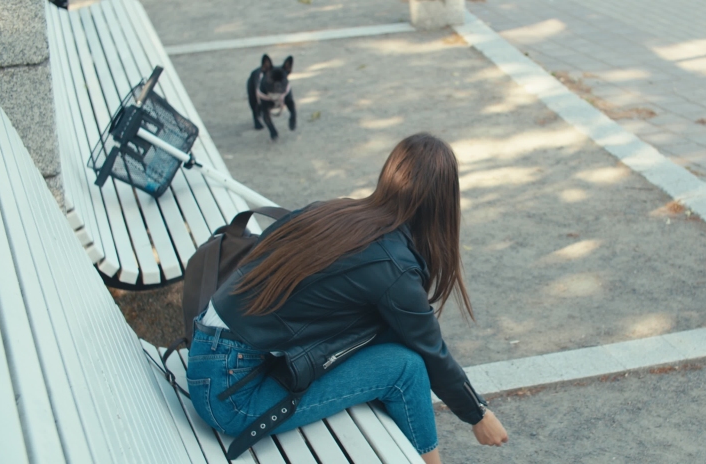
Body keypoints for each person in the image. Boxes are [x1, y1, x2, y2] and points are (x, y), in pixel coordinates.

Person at [187, 133, 508, 463]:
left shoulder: (340, 214)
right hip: (232, 394)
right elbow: (430, 350)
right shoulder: (393, 265)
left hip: (214, 354)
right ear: (442, 202)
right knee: (406, 370)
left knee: (394, 352)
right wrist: (478, 414)